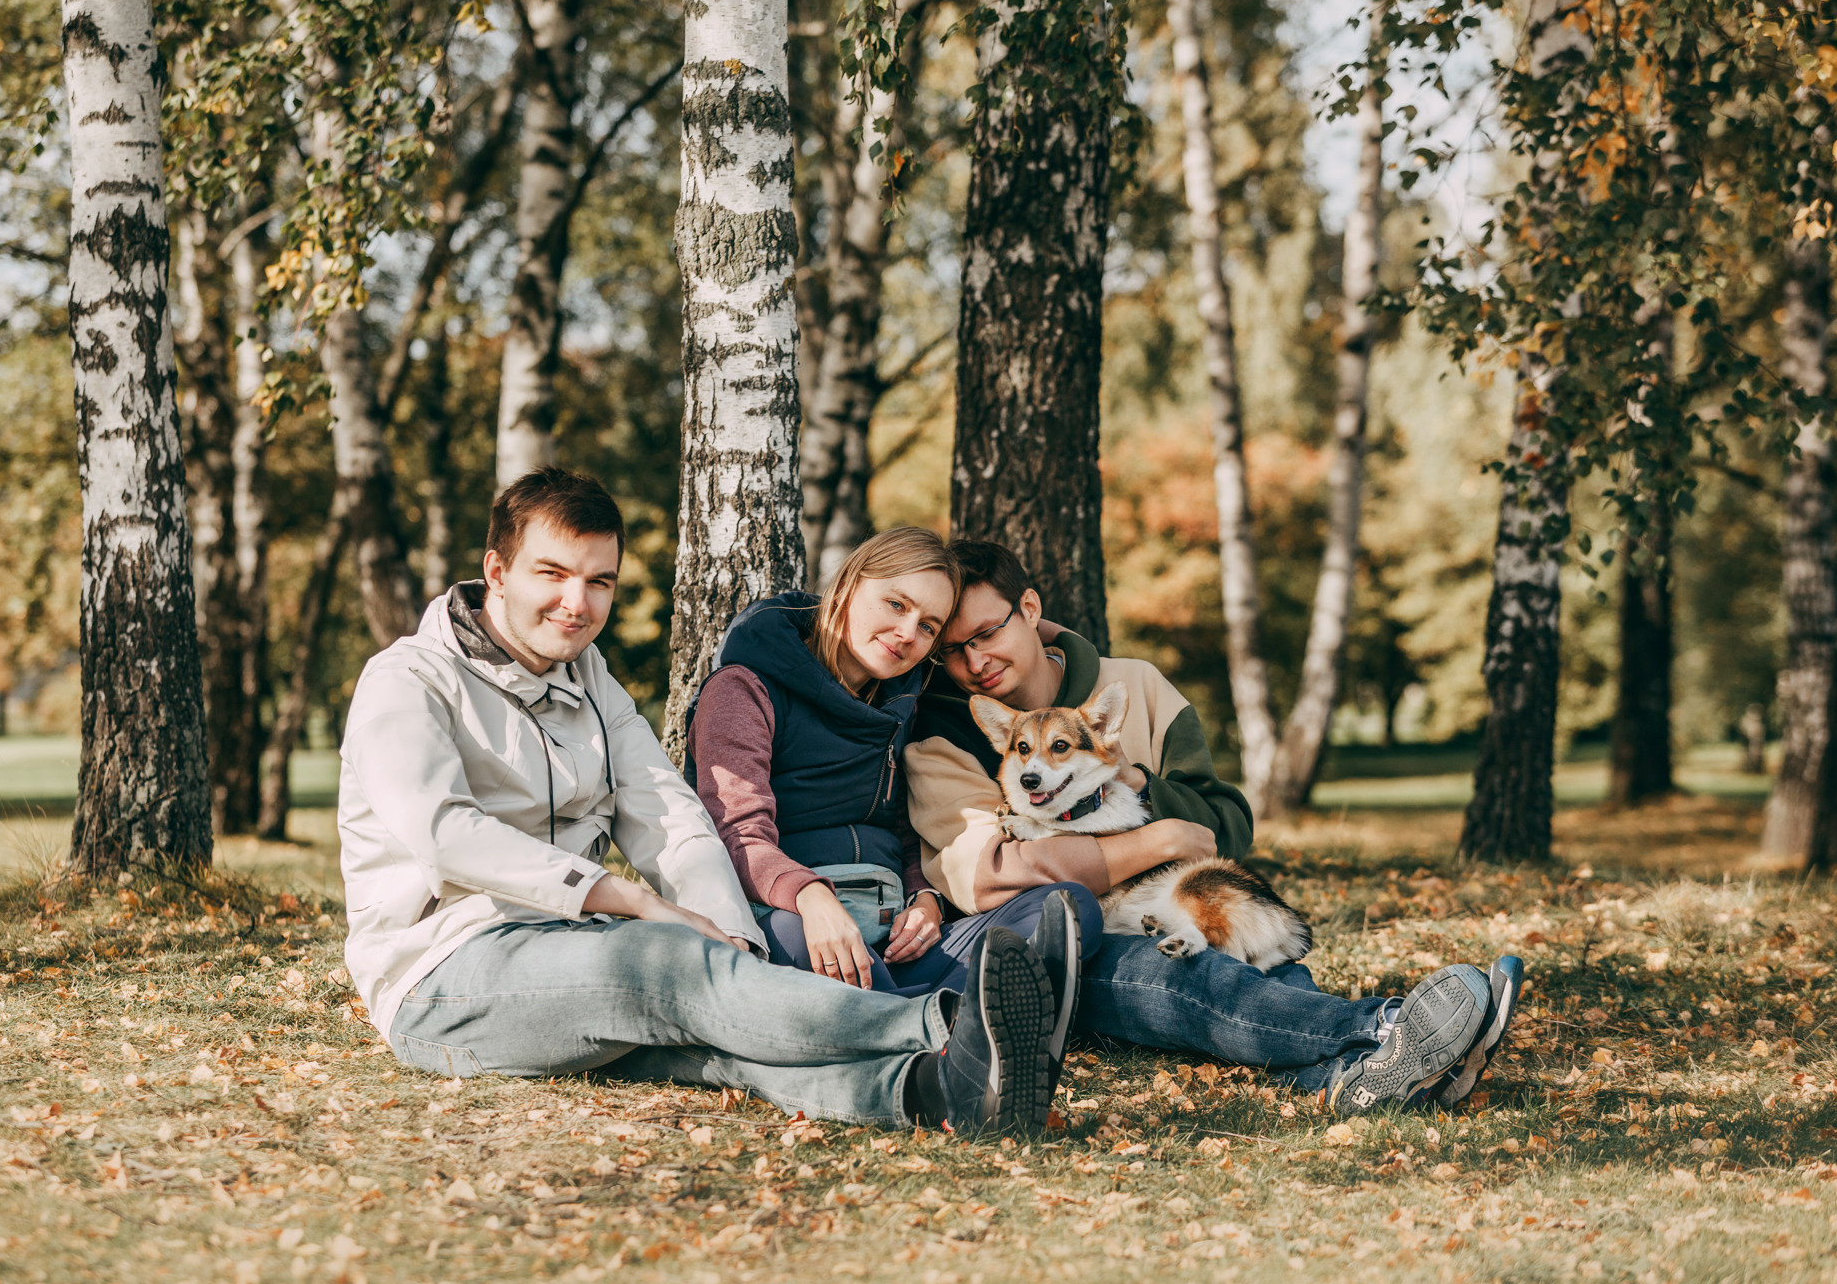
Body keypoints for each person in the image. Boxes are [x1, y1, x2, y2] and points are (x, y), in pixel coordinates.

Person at [336, 470, 1079, 1135]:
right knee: (666, 963)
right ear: (497, 572)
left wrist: (734, 940)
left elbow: (671, 817)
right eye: (553, 574)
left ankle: (942, 1091)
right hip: (444, 977)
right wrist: (633, 900)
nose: (577, 602)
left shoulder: (588, 679)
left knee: (726, 1044)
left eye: (600, 581)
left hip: (571, 951)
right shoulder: (407, 681)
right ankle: (947, 1025)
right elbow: (447, 834)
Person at [905, 540, 1524, 1114]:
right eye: (952, 650)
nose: (976, 661)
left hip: (1171, 901)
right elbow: (989, 878)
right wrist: (1161, 838)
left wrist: (1140, 784)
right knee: (1181, 973)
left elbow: (1226, 828)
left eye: (987, 633)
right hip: (1060, 943)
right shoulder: (941, 738)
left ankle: (1363, 1077)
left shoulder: (1138, 686)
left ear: (1029, 610)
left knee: (1252, 962)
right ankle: (1388, 1026)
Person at [684, 528, 1097, 1051]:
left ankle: (928, 1020)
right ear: (849, 585)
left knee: (1069, 906)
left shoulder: (904, 698)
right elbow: (737, 834)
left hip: (897, 930)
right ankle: (952, 1031)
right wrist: (811, 897)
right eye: (896, 604)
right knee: (799, 948)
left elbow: (903, 823)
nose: (906, 633)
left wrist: (925, 899)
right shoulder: (744, 688)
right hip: (796, 919)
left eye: (927, 626)